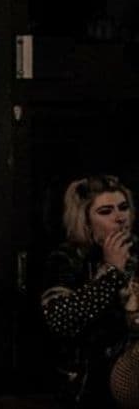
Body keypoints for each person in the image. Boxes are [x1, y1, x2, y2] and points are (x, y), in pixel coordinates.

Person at [42, 174, 139, 407]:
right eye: (105, 211)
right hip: (88, 384)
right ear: (85, 222)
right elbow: (62, 321)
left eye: (123, 208)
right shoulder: (66, 260)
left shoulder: (135, 254)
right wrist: (112, 272)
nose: (120, 218)